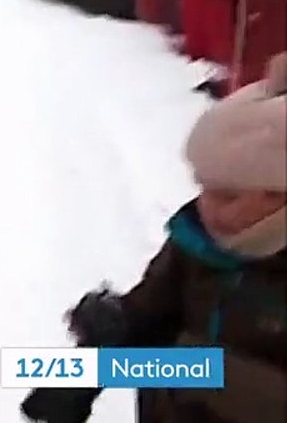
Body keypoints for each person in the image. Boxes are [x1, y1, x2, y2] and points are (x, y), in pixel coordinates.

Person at [21, 52, 287, 423]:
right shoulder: (199, 240)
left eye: (228, 196)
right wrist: (89, 362)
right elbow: (153, 323)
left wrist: (203, 371)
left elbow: (189, 367)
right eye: (202, 187)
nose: (205, 206)